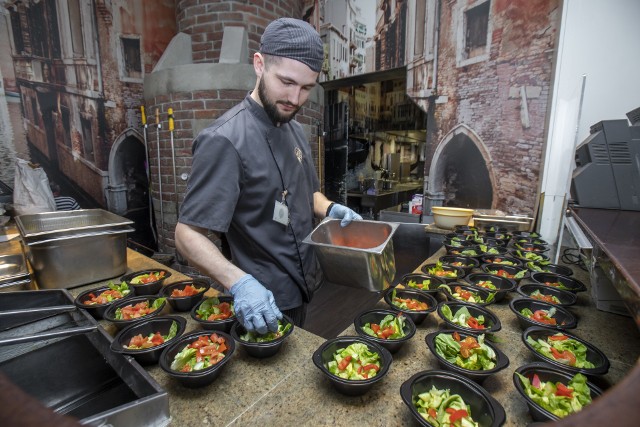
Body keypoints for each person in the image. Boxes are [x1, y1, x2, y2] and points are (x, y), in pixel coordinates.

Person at [175, 18, 362, 334]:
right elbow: (186, 233)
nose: (295, 98)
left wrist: (330, 209)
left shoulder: (295, 130)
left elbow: (306, 192)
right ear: (259, 64)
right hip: (260, 300)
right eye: (286, 82)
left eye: (306, 88)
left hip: (303, 284)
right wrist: (240, 283)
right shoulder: (224, 139)